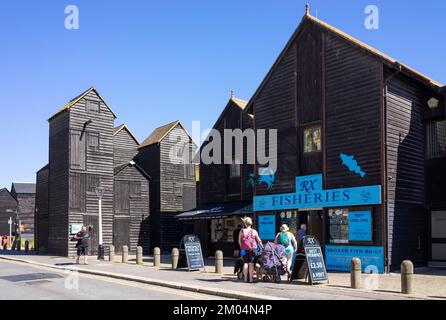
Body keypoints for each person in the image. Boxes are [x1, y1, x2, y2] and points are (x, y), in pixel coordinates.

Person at [238, 217, 263, 283]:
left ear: (245, 224)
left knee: (245, 263)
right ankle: (251, 279)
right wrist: (262, 246)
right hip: (253, 249)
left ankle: (245, 278)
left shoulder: (242, 231)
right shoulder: (254, 231)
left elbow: (239, 241)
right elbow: (259, 240)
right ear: (251, 223)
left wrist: (241, 247)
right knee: (251, 264)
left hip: (243, 250)